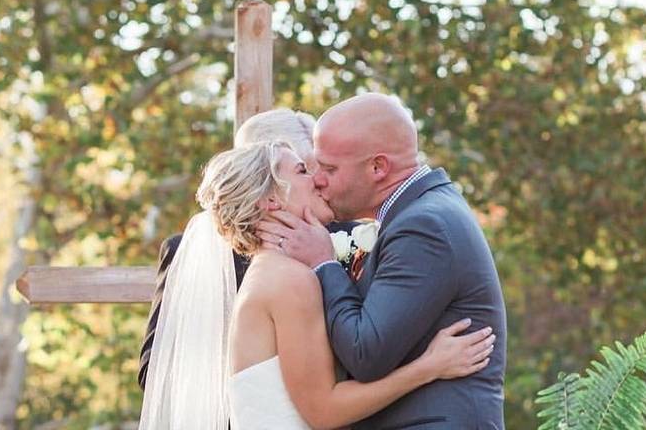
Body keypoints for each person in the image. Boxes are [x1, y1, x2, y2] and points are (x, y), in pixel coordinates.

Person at [139, 140, 495, 429]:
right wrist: (428, 367)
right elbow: (324, 411)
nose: (318, 180)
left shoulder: (274, 273)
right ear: (272, 199)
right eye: (302, 170)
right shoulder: (288, 281)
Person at [258, 93, 507, 429]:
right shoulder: (420, 212)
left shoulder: (424, 226)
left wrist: (324, 264)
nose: (318, 179)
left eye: (329, 168)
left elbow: (366, 354)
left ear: (378, 167)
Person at [137, 108, 354, 389]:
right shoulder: (187, 251)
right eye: (303, 169)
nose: (317, 181)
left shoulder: (347, 238)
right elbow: (153, 371)